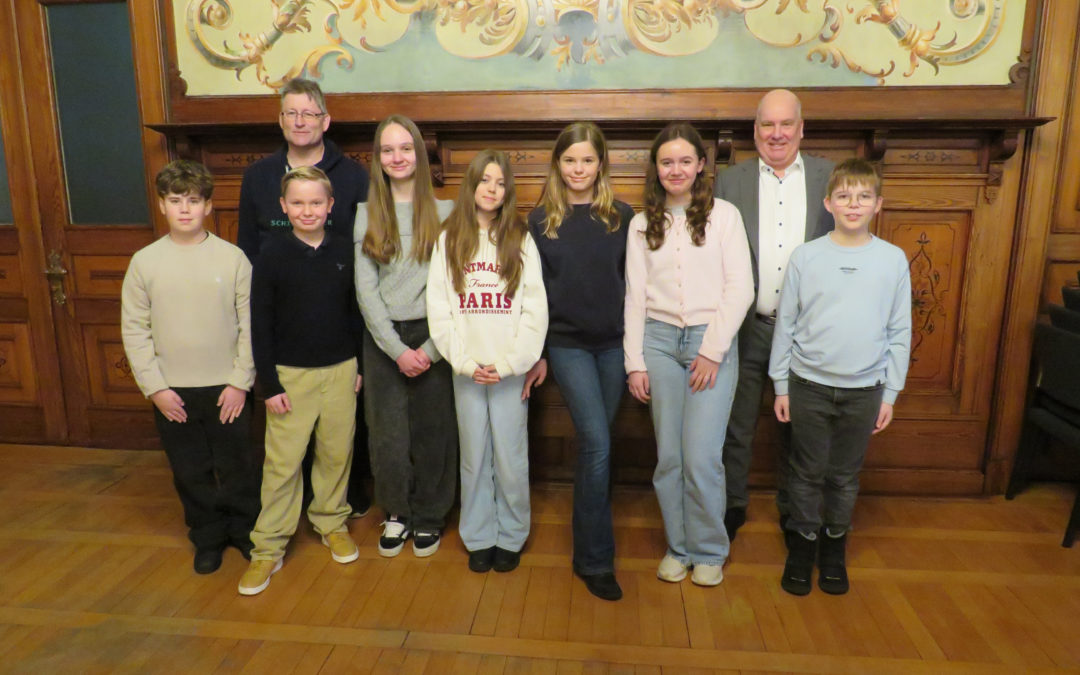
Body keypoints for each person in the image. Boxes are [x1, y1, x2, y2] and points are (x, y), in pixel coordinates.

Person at [769, 158, 911, 596]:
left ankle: (833, 547)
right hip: (807, 385)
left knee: (844, 476)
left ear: (878, 205)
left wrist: (891, 392)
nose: (854, 204)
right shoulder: (806, 256)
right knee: (806, 471)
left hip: (864, 389)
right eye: (844, 196)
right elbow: (786, 324)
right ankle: (802, 546)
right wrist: (780, 385)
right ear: (828, 203)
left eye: (864, 196)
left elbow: (899, 330)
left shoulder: (892, 260)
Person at [624, 123, 754, 587]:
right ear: (656, 168)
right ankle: (678, 548)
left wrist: (713, 351)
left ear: (701, 165)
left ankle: (709, 550)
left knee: (701, 457)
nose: (675, 169)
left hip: (709, 341)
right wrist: (634, 362)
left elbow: (741, 288)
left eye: (684, 160)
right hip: (658, 342)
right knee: (670, 457)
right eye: (666, 162)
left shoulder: (725, 216)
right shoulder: (642, 224)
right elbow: (634, 296)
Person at [237, 77, 371, 518]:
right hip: (283, 334)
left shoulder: (354, 177)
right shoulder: (258, 176)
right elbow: (247, 250)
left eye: (309, 113)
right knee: (285, 448)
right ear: (280, 120)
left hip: (337, 334)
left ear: (325, 121)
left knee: (338, 442)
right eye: (291, 113)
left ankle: (334, 511)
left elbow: (365, 253)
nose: (300, 121)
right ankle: (276, 528)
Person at [121, 160, 260, 574]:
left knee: (238, 465)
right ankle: (208, 537)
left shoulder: (233, 259)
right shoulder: (144, 262)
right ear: (162, 205)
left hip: (227, 387)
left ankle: (245, 530)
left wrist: (241, 381)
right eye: (176, 200)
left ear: (208, 206)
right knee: (190, 470)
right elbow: (135, 329)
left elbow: (250, 325)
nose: (185, 209)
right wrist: (156, 389)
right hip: (173, 390)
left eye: (194, 201)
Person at [715, 89, 835, 541]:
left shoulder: (830, 177)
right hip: (749, 325)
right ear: (755, 130)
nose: (777, 133)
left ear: (801, 129)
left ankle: (794, 512)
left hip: (807, 332)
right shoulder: (730, 182)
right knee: (736, 424)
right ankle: (731, 506)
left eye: (786, 124)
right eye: (768, 124)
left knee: (799, 428)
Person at [238, 167, 364, 596]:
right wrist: (270, 385)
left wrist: (359, 367)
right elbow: (260, 324)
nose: (307, 210)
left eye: (315, 202)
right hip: (290, 377)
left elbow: (355, 313)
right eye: (297, 203)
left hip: (341, 370)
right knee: (283, 463)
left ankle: (332, 521)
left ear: (330, 206)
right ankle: (268, 547)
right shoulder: (271, 255)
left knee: (336, 452)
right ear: (283, 207)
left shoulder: (345, 250)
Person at [523, 122, 634, 601]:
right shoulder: (540, 220)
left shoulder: (622, 216)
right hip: (567, 345)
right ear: (557, 164)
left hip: (614, 345)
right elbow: (530, 295)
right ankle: (594, 560)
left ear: (601, 163)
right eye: (570, 160)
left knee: (600, 445)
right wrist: (537, 353)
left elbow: (636, 285)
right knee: (596, 443)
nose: (578, 169)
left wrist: (636, 352)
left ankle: (591, 545)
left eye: (587, 160)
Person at [427, 150, 548, 574]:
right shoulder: (449, 239)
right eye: (485, 181)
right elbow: (439, 310)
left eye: (500, 183)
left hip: (508, 371)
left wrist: (513, 362)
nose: (492, 189)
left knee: (511, 458)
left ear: (507, 191)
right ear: (472, 186)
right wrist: (463, 362)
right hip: (468, 371)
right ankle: (479, 535)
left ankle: (511, 534)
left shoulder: (520, 238)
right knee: (475, 456)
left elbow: (535, 309)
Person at [354, 115, 457, 558]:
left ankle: (430, 514)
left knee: (435, 431)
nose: (397, 157)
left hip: (436, 335)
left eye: (405, 148)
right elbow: (365, 291)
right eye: (387, 150)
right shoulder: (365, 214)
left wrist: (431, 350)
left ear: (419, 153)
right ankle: (396, 512)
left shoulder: (447, 213)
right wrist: (396, 350)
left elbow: (456, 287)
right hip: (384, 340)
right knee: (388, 434)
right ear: (378, 158)